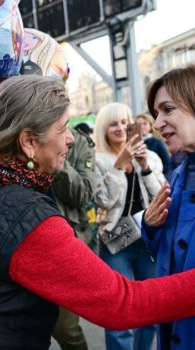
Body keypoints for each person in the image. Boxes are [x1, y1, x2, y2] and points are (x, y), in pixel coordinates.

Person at [0, 75, 195, 350]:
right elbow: (121, 303)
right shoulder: (25, 218)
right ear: (29, 142)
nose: (71, 138)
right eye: (62, 128)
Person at [93, 102, 165, 350]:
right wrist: (117, 167)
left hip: (148, 238)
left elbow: (161, 197)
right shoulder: (99, 160)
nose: (121, 128)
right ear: (103, 128)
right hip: (115, 241)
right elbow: (102, 200)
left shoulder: (151, 156)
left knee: (151, 310)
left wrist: (144, 167)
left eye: (125, 122)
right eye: (113, 123)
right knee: (119, 313)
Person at [142, 65, 195, 350]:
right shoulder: (177, 176)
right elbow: (169, 252)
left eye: (168, 109)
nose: (158, 123)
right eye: (156, 114)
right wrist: (150, 226)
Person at [51, 127, 96, 350]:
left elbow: (82, 195)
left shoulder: (78, 142)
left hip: (61, 246)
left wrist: (58, 156)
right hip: (20, 241)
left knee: (65, 329)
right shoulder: (18, 134)